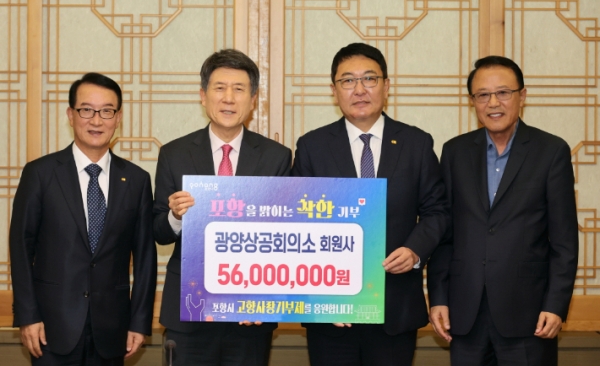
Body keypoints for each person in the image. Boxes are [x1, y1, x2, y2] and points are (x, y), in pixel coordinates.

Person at [291, 42, 449, 366]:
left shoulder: (416, 144)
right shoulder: (312, 147)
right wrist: (317, 296)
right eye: (348, 80)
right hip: (331, 309)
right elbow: (297, 222)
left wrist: (415, 250)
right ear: (334, 90)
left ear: (386, 86)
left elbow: (437, 211)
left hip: (395, 306)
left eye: (369, 79)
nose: (359, 89)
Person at [427, 56, 579, 366]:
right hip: (465, 312)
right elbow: (445, 234)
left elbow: (564, 241)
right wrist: (438, 297)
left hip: (529, 314)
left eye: (503, 92)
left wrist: (555, 304)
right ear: (473, 101)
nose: (493, 103)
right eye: (483, 94)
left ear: (522, 96)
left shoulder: (551, 151)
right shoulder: (454, 152)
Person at [153, 49, 292, 366]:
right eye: (219, 88)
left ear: (253, 99)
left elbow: (283, 235)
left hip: (250, 311)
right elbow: (158, 231)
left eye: (239, 89)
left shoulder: (276, 157)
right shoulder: (174, 153)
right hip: (188, 308)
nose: (228, 98)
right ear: (203, 96)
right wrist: (175, 216)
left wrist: (265, 297)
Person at [9, 73, 157, 365]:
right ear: (71, 115)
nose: (96, 120)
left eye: (107, 111)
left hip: (113, 328)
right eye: (87, 110)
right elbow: (21, 247)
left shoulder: (137, 180)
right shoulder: (40, 174)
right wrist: (27, 315)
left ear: (118, 118)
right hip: (50, 327)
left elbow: (145, 258)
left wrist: (139, 322)